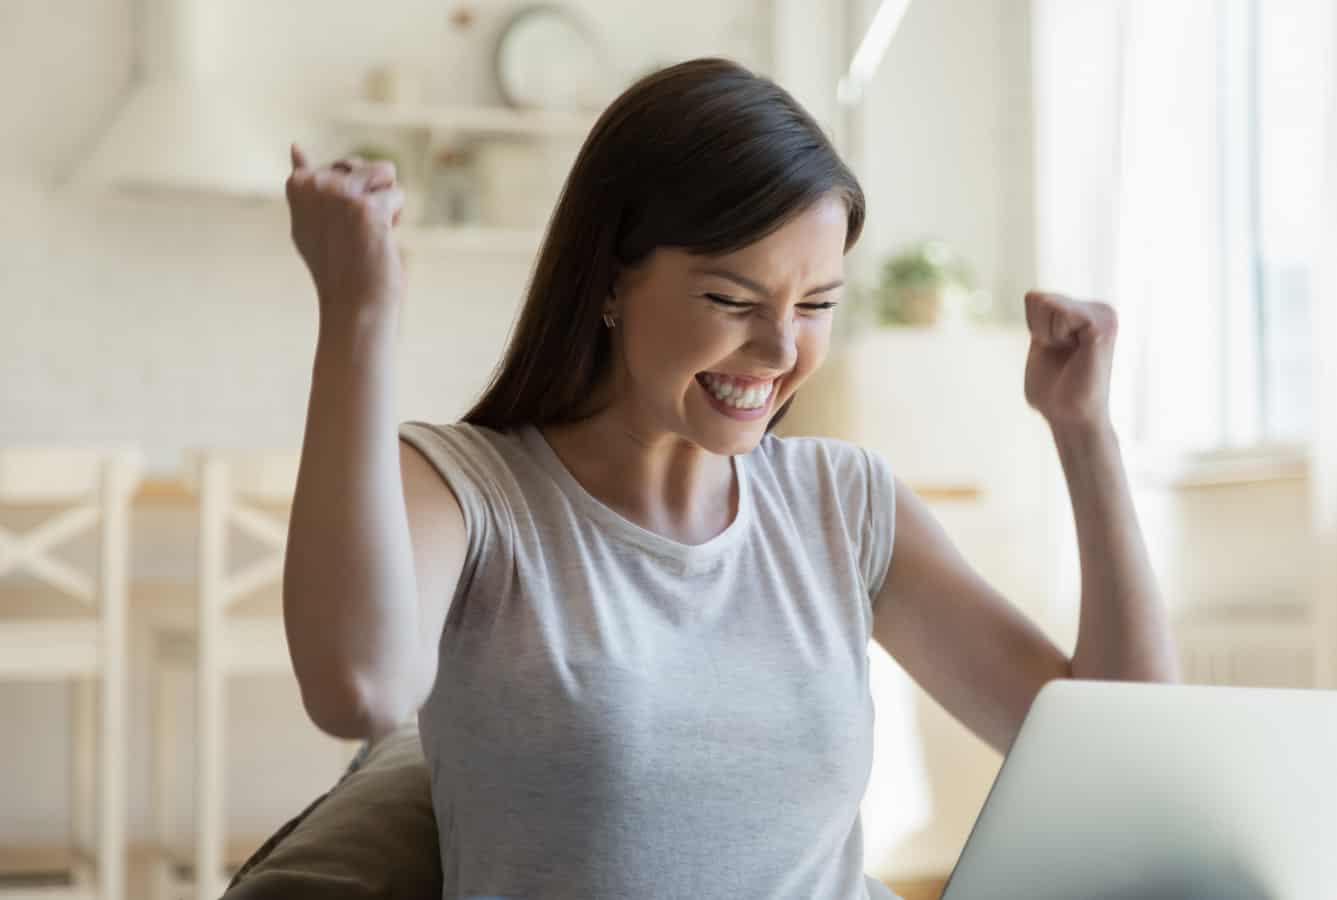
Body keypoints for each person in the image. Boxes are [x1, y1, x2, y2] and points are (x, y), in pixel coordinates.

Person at [281, 57, 1178, 900]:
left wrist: (1085, 433)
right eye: (733, 301)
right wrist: (357, 314)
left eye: (817, 305)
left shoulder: (843, 502)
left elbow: (1124, 758)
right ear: (609, 283)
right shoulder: (472, 491)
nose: (782, 350)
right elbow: (360, 688)